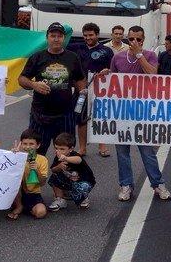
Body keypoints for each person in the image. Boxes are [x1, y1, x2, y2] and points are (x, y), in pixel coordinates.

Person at [110, 25, 171, 202]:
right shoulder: (118, 57)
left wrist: (139, 54)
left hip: (143, 112)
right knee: (122, 151)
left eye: (138, 39)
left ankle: (158, 184)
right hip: (122, 111)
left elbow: (152, 73)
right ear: (127, 39)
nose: (135, 42)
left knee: (147, 151)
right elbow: (113, 82)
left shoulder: (150, 56)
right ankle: (126, 185)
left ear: (143, 40)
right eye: (131, 39)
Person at [18, 22, 86, 155]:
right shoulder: (37, 57)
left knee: (65, 154)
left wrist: (82, 95)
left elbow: (80, 79)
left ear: (64, 38)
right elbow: (22, 79)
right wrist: (34, 85)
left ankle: (61, 175)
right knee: (35, 153)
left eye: (59, 36)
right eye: (53, 35)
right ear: (47, 37)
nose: (56, 39)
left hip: (65, 115)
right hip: (40, 115)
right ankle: (35, 175)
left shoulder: (72, 57)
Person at [68, 23, 114, 156]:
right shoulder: (75, 48)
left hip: (101, 91)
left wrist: (108, 71)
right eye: (85, 35)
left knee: (100, 118)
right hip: (81, 90)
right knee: (81, 119)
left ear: (97, 35)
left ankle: (102, 147)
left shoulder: (107, 51)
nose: (88, 37)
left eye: (91, 35)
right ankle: (82, 148)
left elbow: (114, 70)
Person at [48, 132, 96, 210]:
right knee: (54, 176)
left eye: (62, 149)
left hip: (83, 181)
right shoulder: (57, 157)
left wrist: (66, 159)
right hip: (69, 179)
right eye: (56, 148)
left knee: (81, 187)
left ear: (71, 149)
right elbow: (53, 169)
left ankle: (83, 198)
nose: (58, 151)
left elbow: (78, 160)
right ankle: (60, 199)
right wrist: (59, 166)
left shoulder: (75, 155)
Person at [7, 129, 49, 220]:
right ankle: (18, 206)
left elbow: (42, 183)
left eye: (31, 144)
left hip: (33, 193)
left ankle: (25, 207)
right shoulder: (17, 156)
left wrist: (36, 170)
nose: (27, 147)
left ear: (38, 145)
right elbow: (7, 175)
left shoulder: (42, 160)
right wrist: (12, 156)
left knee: (41, 213)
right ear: (21, 144)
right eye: (25, 144)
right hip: (18, 193)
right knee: (15, 182)